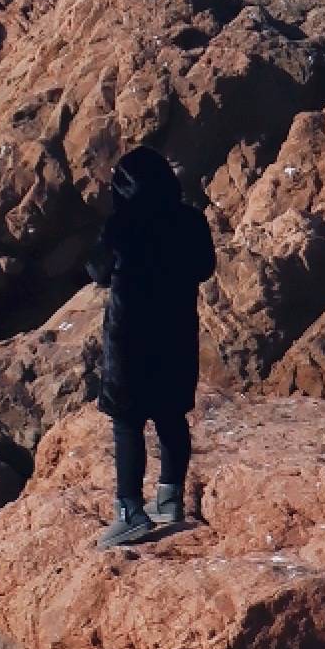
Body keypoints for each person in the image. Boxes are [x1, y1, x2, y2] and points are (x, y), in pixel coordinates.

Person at [94, 144, 216, 545]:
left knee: (127, 422)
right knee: (170, 417)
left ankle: (130, 509)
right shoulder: (191, 222)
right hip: (176, 334)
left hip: (131, 338)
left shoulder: (122, 224)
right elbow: (204, 268)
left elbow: (96, 270)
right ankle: (170, 499)